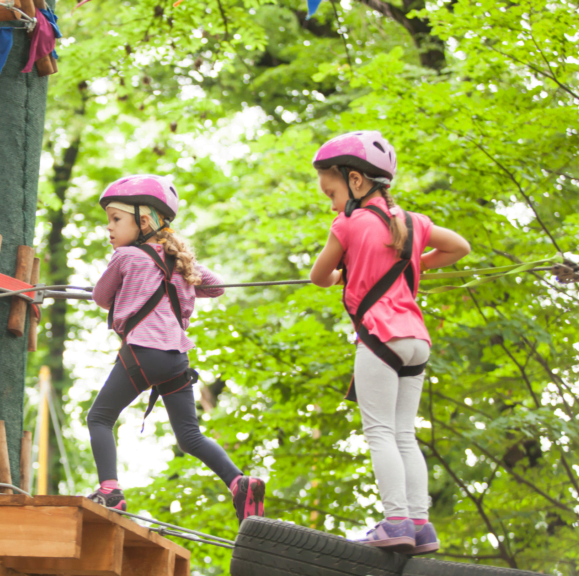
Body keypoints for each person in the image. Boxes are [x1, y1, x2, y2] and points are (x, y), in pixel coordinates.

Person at [309, 131, 471, 555]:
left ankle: (396, 520)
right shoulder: (415, 224)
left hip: (379, 338)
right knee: (404, 435)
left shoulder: (346, 223)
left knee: (379, 432)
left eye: (332, 191)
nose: (330, 202)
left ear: (357, 181)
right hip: (416, 340)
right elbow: (460, 247)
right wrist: (415, 263)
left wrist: (346, 271)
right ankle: (421, 524)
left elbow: (318, 277)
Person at [87, 174, 265, 524]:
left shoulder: (125, 257)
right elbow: (216, 288)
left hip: (142, 353)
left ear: (144, 221)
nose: (108, 228)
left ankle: (110, 490)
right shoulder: (179, 264)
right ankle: (238, 482)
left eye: (115, 219)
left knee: (99, 418)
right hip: (176, 360)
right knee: (189, 436)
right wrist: (179, 274)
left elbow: (100, 297)